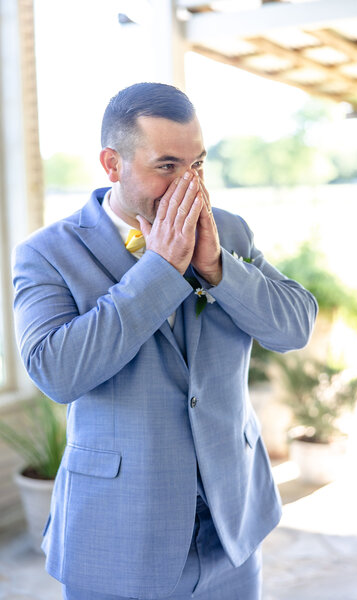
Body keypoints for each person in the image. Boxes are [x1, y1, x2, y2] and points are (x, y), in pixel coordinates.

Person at [12, 82, 317, 600]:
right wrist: (158, 272)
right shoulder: (46, 254)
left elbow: (295, 326)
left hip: (231, 527)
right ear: (113, 164)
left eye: (198, 164)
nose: (189, 186)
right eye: (168, 166)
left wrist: (218, 267)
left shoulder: (228, 234)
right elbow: (56, 373)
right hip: (118, 537)